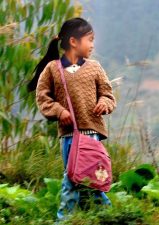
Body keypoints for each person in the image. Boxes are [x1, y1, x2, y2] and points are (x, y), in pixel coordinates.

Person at [28, 17, 116, 220]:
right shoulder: (53, 69)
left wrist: (104, 103)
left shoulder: (95, 68)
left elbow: (108, 93)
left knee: (94, 180)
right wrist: (59, 111)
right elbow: (42, 97)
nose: (93, 45)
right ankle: (67, 219)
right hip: (70, 137)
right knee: (72, 179)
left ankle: (108, 216)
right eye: (90, 39)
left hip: (92, 135)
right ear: (74, 42)